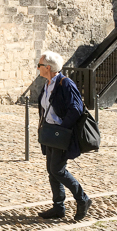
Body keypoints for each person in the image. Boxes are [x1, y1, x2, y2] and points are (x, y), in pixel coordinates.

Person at [37, 51, 92, 221]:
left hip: (60, 133)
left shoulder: (65, 83)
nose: (37, 68)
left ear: (47, 67)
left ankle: (83, 199)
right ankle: (58, 207)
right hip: (49, 132)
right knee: (51, 170)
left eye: (39, 65)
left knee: (57, 170)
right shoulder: (47, 84)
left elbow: (76, 108)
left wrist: (62, 127)